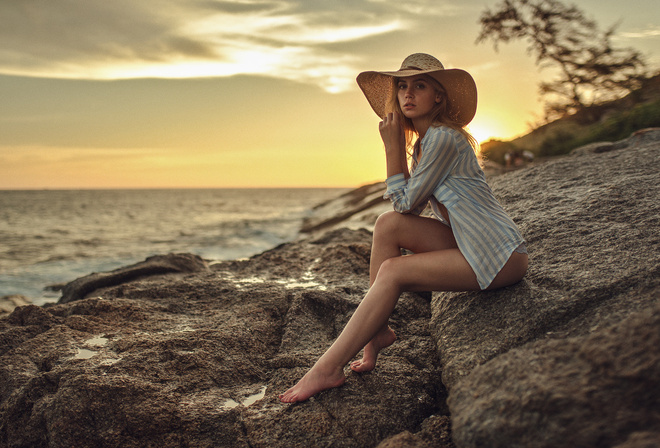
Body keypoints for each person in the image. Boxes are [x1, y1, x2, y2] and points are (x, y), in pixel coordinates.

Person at [279, 53, 528, 403]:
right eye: (402, 86)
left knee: (394, 271)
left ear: (438, 96)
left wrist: (392, 147)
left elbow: (407, 202)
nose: (407, 94)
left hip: (497, 255)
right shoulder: (426, 144)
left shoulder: (442, 139)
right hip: (468, 241)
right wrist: (403, 150)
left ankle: (327, 368)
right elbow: (402, 213)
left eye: (420, 85)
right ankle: (376, 332)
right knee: (388, 226)